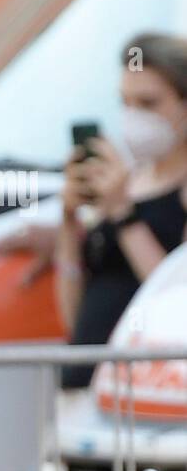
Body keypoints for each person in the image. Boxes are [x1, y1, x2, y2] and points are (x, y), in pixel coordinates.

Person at [53, 33, 187, 388]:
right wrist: (68, 224)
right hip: (83, 386)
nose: (133, 117)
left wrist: (123, 213)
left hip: (146, 398)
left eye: (148, 103)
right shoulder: (126, 180)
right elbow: (74, 315)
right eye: (125, 103)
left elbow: (174, 297)